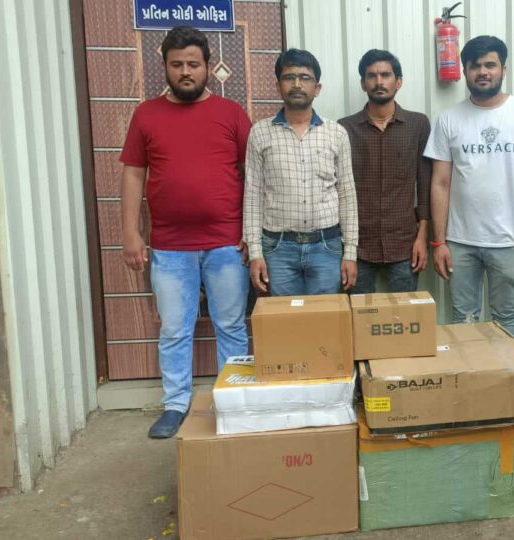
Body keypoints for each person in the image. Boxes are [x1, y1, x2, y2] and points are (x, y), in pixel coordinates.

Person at [120, 26, 252, 439]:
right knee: (175, 329)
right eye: (176, 64)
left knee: (231, 325)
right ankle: (175, 404)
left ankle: (232, 401)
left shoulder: (231, 114)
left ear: (208, 66)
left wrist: (252, 230)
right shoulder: (147, 115)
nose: (185, 72)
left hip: (227, 243)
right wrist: (130, 232)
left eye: (193, 64)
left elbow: (254, 174)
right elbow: (133, 174)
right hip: (170, 247)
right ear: (165, 66)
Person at [424, 35, 514, 338]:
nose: (483, 71)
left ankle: (509, 372)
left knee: (507, 321)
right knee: (463, 319)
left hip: (509, 241)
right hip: (460, 242)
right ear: (465, 71)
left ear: (503, 69)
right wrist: (439, 243)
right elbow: (440, 183)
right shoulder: (448, 119)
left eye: (490, 65)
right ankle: (470, 372)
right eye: (475, 65)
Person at [243, 49, 358, 296]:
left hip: (326, 247)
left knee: (325, 315)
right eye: (289, 77)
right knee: (285, 317)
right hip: (278, 248)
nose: (297, 84)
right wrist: (255, 253)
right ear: (278, 86)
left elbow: (347, 194)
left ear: (317, 88)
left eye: (305, 78)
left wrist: (350, 252)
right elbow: (253, 195)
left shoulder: (336, 133)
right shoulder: (260, 133)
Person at [339, 49, 432, 293]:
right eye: (371, 76)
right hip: (358, 245)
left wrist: (422, 238)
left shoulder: (417, 125)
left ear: (398, 82)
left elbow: (424, 185)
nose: (379, 82)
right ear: (363, 83)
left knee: (404, 313)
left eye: (386, 75)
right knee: (358, 313)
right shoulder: (344, 128)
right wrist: (346, 248)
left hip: (404, 243)